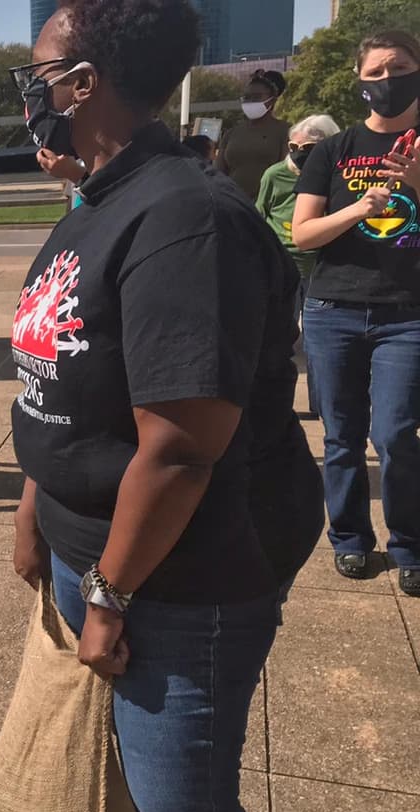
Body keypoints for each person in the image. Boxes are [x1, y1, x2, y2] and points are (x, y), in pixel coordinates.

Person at [9, 1, 322, 812]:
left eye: (41, 73)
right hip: (96, 547)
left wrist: (109, 593)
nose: (32, 93)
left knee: (189, 811)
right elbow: (65, 376)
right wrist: (36, 505)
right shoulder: (102, 197)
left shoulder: (189, 221)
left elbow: (183, 445)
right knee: (137, 784)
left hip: (182, 575)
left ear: (85, 83)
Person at [292, 30, 420, 598]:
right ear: (360, 81)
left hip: (407, 315)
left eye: (398, 68)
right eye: (375, 73)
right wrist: (360, 207)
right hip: (334, 309)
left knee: (397, 434)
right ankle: (348, 537)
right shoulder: (334, 150)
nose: (387, 81)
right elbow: (303, 234)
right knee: (342, 436)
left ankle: (409, 544)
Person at [257, 114, 341, 414]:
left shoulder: (335, 176)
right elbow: (260, 215)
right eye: (295, 145)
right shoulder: (275, 175)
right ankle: (279, 405)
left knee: (320, 346)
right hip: (285, 265)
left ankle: (320, 405)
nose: (300, 152)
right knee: (281, 337)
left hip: (323, 267)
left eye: (310, 147)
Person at [217, 69, 290, 201]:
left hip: (268, 206)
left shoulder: (285, 131)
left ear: (272, 100)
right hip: (233, 203)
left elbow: (286, 172)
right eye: (247, 97)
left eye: (256, 97)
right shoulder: (231, 133)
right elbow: (219, 173)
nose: (251, 101)